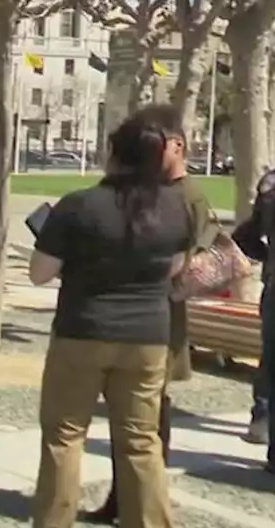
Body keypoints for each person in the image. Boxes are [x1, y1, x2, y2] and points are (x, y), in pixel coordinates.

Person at [29, 106, 199, 528]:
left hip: (82, 331)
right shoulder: (176, 208)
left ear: (113, 154)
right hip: (147, 335)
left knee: (64, 437)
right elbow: (176, 267)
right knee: (141, 441)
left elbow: (39, 273)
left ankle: (54, 522)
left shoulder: (78, 207)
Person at [80, 105, 220, 524]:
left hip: (159, 320)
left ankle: (141, 504)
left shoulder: (189, 197)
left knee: (148, 419)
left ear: (176, 145)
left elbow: (204, 262)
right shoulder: (148, 190)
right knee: (131, 419)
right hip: (133, 316)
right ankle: (123, 499)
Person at [233, 169, 275, 447]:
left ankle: (261, 418)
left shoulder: (271, 190)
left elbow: (244, 236)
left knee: (270, 360)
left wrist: (267, 257)